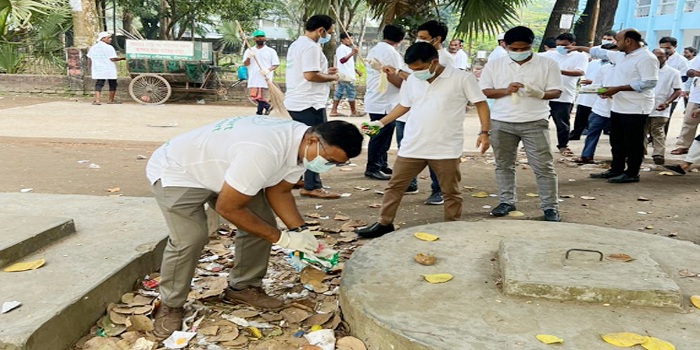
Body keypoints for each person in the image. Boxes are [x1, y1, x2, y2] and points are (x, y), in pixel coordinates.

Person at [145, 116, 363, 337]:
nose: (327, 166)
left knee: (262, 224)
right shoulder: (264, 150)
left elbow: (280, 191)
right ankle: (170, 304)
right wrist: (282, 239)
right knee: (190, 237)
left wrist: (301, 232)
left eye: (336, 164)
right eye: (328, 159)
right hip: (180, 171)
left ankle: (242, 287)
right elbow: (228, 208)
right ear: (313, 140)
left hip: (228, 169)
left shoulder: (302, 148)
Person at [355, 42, 490, 238]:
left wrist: (484, 132)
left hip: (445, 146)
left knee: (450, 191)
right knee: (395, 186)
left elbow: (481, 104)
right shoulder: (412, 81)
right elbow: (404, 105)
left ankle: (452, 227)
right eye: (412, 69)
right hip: (413, 144)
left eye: (419, 68)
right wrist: (380, 123)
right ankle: (384, 223)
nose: (416, 73)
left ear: (434, 62)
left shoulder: (461, 78)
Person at [479, 26, 563, 222]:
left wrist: (539, 93)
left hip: (534, 121)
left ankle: (550, 207)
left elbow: (556, 91)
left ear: (531, 45)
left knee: (543, 167)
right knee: (503, 165)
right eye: (513, 49)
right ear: (505, 46)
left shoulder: (547, 64)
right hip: (501, 121)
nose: (518, 53)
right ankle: (506, 201)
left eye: (523, 48)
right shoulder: (494, 65)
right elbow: (485, 91)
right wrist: (506, 90)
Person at [570, 29, 659, 184]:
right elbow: (601, 53)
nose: (614, 43)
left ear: (628, 41)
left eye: (617, 40)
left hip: (636, 107)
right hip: (618, 105)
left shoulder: (647, 58)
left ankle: (632, 173)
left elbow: (649, 82)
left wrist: (618, 88)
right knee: (616, 140)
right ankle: (616, 169)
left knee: (633, 142)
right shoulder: (622, 56)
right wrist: (579, 48)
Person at [285, 14, 341, 199]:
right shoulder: (311, 47)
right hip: (309, 102)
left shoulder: (297, 44)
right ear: (321, 30)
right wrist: (332, 77)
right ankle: (312, 185)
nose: (330, 36)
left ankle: (299, 178)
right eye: (330, 32)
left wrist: (325, 73)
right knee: (316, 145)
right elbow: (310, 75)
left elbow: (310, 72)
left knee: (301, 142)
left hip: (297, 100)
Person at [363, 25, 406, 181]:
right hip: (384, 100)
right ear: (401, 39)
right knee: (379, 135)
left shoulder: (375, 49)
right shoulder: (392, 53)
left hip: (378, 98)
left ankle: (381, 164)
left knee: (384, 135)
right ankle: (373, 167)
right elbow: (396, 77)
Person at [543, 33, 588, 156]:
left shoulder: (580, 56)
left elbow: (579, 72)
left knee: (562, 124)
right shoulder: (551, 55)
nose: (560, 48)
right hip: (547, 94)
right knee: (539, 121)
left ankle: (563, 146)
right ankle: (534, 145)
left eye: (563, 45)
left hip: (565, 95)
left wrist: (560, 71)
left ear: (572, 44)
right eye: (558, 45)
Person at [575, 44, 617, 164]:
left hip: (619, 108)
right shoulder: (604, 69)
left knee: (616, 136)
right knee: (593, 130)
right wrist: (601, 91)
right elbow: (597, 85)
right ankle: (587, 155)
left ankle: (618, 159)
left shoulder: (627, 70)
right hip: (601, 106)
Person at [646, 48, 682, 165]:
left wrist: (667, 102)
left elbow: (677, 90)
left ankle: (659, 154)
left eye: (660, 57)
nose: (656, 59)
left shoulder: (673, 73)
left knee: (658, 130)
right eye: (654, 56)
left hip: (661, 106)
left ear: (666, 58)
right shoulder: (644, 71)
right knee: (641, 130)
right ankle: (639, 153)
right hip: (643, 106)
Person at [243, 30, 280, 115]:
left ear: (264, 38)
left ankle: (259, 112)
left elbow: (276, 64)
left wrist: (268, 70)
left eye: (262, 36)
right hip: (254, 77)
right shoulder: (249, 50)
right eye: (258, 37)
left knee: (262, 97)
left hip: (265, 78)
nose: (260, 38)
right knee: (255, 97)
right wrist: (249, 57)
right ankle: (267, 107)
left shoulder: (271, 51)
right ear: (254, 39)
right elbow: (245, 64)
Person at [329, 32, 365, 118]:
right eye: (349, 38)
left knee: (339, 92)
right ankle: (354, 111)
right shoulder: (342, 49)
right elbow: (342, 61)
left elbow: (348, 63)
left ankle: (334, 110)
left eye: (351, 38)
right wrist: (352, 53)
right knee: (351, 93)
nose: (351, 40)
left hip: (347, 74)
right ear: (343, 40)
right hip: (345, 75)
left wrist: (356, 70)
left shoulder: (348, 49)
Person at [658, 37, 689, 134]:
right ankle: (652, 135)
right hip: (657, 91)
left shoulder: (681, 60)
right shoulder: (657, 57)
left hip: (672, 92)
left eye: (668, 48)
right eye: (662, 48)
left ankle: (661, 136)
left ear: (675, 47)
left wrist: (670, 79)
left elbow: (684, 77)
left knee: (666, 116)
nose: (664, 50)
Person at [671, 55, 700, 156]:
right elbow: (689, 72)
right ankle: (683, 146)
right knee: (689, 122)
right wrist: (695, 73)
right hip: (697, 96)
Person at [87, 32, 125, 105]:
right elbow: (112, 59)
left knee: (99, 84)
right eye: (108, 38)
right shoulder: (109, 47)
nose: (110, 39)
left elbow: (89, 58)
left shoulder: (93, 47)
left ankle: (97, 100)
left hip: (99, 69)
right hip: (109, 69)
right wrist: (122, 58)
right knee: (112, 84)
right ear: (103, 38)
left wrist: (89, 67)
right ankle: (111, 100)